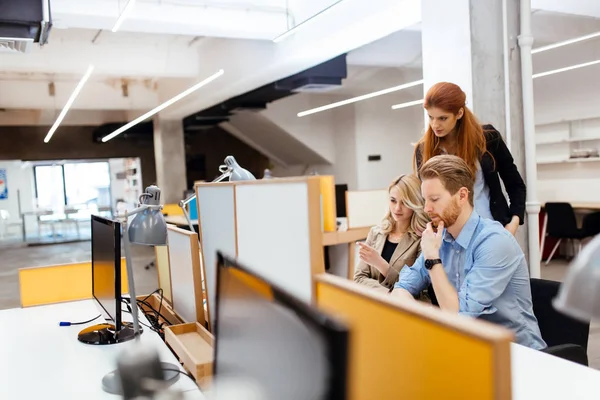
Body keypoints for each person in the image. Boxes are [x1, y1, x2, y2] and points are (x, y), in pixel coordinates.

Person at [392, 155, 546, 350]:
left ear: (462, 196)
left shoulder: (494, 242)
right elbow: (401, 287)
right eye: (425, 200)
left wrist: (432, 258)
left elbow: (457, 317)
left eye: (435, 199)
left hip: (518, 355)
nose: (426, 208)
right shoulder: (442, 237)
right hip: (470, 348)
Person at [413, 82, 526, 236]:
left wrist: (513, 223)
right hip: (448, 236)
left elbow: (515, 185)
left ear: (459, 113)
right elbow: (425, 197)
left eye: (442, 118)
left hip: (490, 229)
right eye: (431, 117)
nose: (435, 124)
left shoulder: (488, 138)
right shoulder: (424, 149)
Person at [354, 174, 429, 290]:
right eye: (393, 201)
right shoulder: (375, 233)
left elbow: (417, 289)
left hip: (401, 308)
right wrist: (389, 295)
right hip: (372, 305)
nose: (397, 208)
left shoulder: (423, 239)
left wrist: (380, 264)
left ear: (415, 203)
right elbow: (359, 279)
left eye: (404, 202)